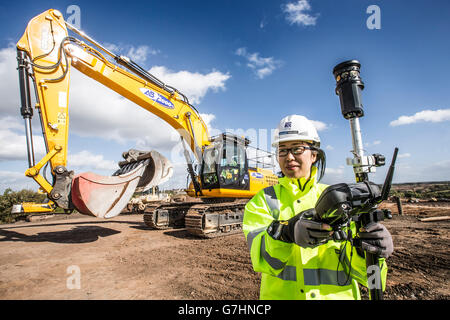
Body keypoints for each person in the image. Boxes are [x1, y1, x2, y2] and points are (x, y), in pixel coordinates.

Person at [243, 114, 394, 300]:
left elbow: (368, 278)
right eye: (282, 150)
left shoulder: (339, 200)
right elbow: (262, 259)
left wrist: (369, 253)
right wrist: (286, 232)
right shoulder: (263, 201)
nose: (289, 157)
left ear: (314, 155)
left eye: (297, 149)